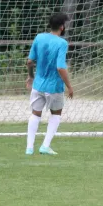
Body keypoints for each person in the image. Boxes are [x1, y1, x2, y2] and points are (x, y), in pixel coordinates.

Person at [25, 12, 74, 155]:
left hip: (38, 85)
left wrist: (30, 76)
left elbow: (29, 61)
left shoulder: (39, 38)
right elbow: (60, 67)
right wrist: (69, 87)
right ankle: (45, 146)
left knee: (35, 114)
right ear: (62, 27)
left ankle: (29, 148)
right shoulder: (62, 43)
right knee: (56, 113)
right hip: (54, 87)